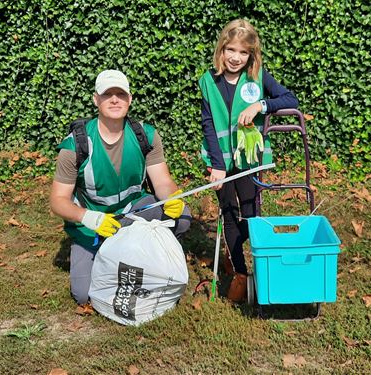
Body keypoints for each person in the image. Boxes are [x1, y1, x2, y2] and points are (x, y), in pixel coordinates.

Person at [50, 69, 191, 304]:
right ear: (96, 99)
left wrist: (171, 198)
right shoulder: (75, 145)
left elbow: (163, 182)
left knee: (183, 217)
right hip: (93, 225)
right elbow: (57, 200)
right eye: (107, 94)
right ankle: (112, 253)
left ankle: (152, 256)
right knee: (84, 296)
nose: (115, 100)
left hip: (132, 214)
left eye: (121, 94)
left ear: (130, 99)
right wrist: (89, 218)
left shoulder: (146, 135)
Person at [199, 19, 299, 302]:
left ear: (251, 55)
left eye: (243, 53)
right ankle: (240, 275)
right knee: (229, 214)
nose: (236, 58)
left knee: (251, 214)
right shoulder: (208, 81)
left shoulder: (258, 78)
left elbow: (290, 99)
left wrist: (261, 105)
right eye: (231, 50)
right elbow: (208, 123)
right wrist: (217, 166)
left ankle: (260, 267)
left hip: (250, 160)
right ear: (221, 49)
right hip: (222, 163)